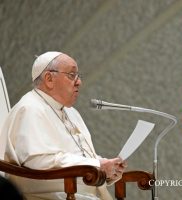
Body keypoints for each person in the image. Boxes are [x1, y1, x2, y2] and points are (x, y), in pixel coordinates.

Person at [1, 51, 126, 200]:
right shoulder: (29, 108)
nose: (79, 82)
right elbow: (37, 160)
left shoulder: (71, 112)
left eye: (79, 76)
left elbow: (80, 155)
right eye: (72, 75)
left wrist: (108, 170)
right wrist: (97, 164)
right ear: (49, 79)